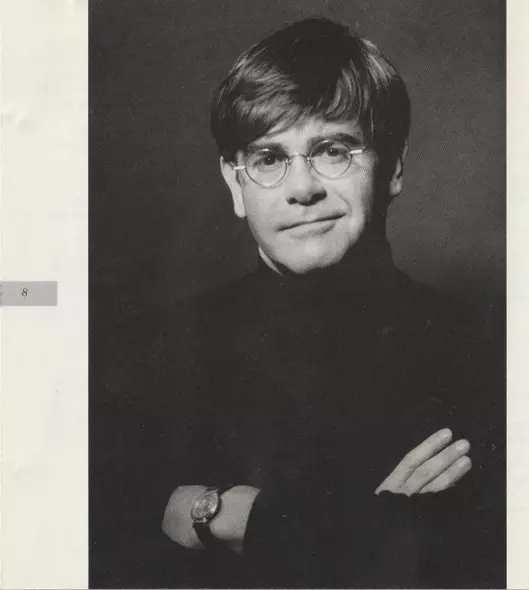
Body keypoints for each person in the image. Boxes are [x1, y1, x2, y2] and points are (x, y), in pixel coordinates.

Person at [90, 17, 504, 589]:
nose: (302, 189)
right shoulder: (142, 360)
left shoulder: (486, 355)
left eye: (333, 150)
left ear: (393, 167)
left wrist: (235, 519)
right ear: (235, 186)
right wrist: (380, 531)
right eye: (268, 159)